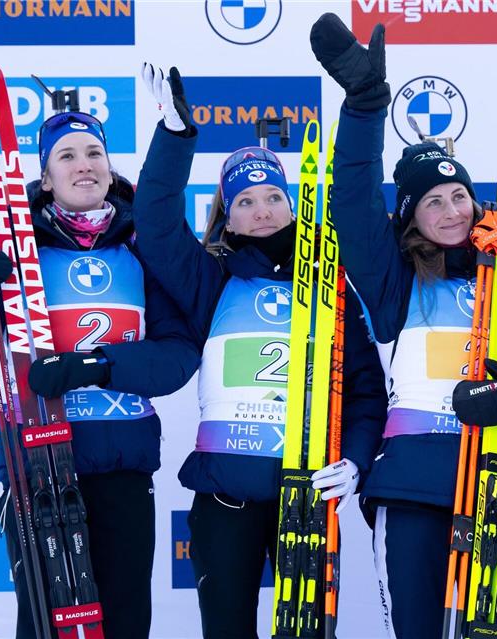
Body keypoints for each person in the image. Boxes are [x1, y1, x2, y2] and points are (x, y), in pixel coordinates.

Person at [0, 110, 201, 639]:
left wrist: (96, 366)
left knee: (123, 625)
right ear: (46, 178)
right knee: (46, 626)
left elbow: (177, 357)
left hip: (123, 468)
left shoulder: (144, 251)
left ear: (109, 167)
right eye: (67, 156)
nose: (84, 166)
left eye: (94, 153)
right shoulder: (13, 253)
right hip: (38, 469)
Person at [132, 64, 386, 639]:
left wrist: (358, 460)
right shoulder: (210, 280)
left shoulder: (329, 286)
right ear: (227, 212)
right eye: (245, 200)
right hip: (226, 498)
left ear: (292, 203)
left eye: (274, 195)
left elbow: (368, 391)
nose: (263, 209)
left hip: (307, 493)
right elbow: (154, 225)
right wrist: (175, 136)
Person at [309, 15, 497, 639]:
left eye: (459, 196)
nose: (449, 210)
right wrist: (364, 107)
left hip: (496, 478)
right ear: (410, 215)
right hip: (412, 483)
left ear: (477, 201)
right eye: (431, 201)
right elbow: (353, 203)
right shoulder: (395, 280)